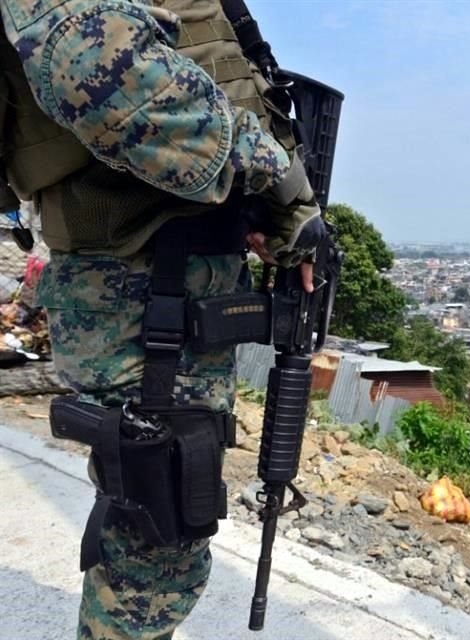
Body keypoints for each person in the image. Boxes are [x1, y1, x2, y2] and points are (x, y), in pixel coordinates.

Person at [0, 0, 326, 637]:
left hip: (167, 273)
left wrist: (266, 211)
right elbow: (98, 67)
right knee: (161, 526)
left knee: (150, 508)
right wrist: (278, 181)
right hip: (141, 273)